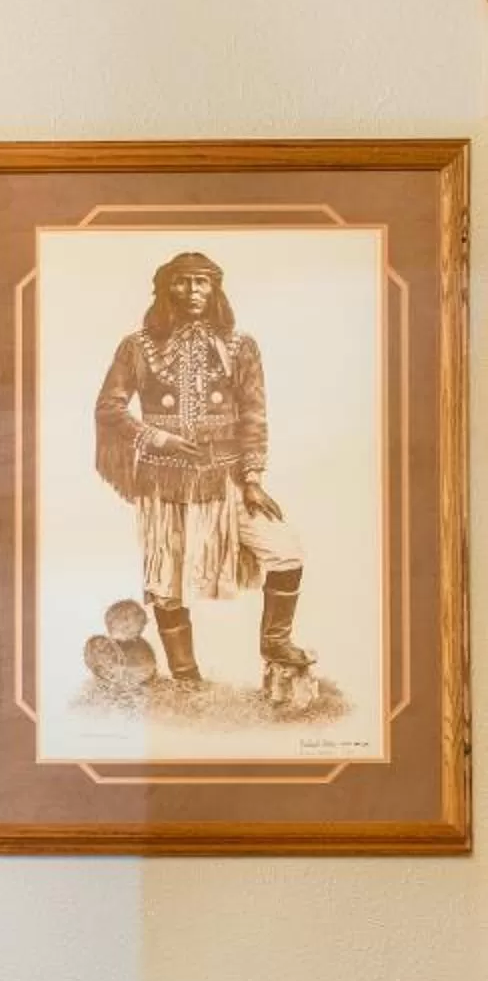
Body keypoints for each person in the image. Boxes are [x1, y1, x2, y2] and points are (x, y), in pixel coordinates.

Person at [92, 251, 309, 686]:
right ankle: (186, 676)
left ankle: (275, 642)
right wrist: (158, 437)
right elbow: (109, 408)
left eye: (202, 282)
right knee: (167, 581)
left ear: (215, 289)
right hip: (163, 480)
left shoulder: (240, 345)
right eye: (182, 282)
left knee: (286, 552)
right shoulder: (137, 346)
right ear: (165, 287)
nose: (192, 291)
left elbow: (254, 414)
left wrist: (252, 479)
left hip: (226, 479)